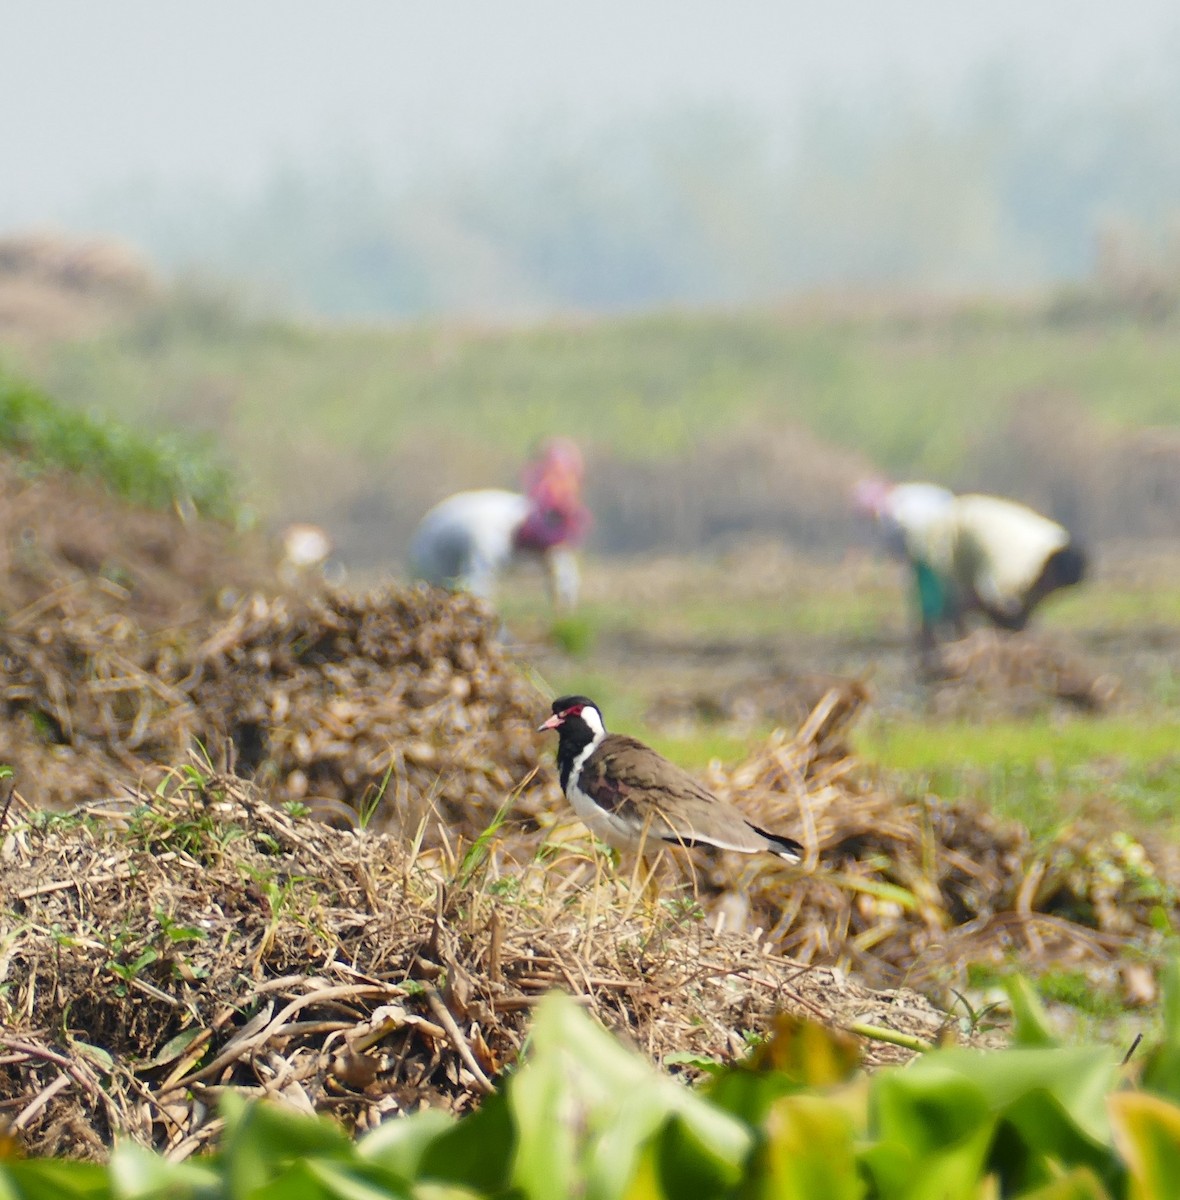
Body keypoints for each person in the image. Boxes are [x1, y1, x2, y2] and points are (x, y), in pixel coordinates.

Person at [855, 478, 1087, 658]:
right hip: (945, 532)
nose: (1050, 593)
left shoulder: (1056, 543)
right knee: (935, 608)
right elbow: (984, 601)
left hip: (974, 527)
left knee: (973, 614)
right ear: (1050, 574)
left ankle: (946, 653)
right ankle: (933, 661)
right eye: (1052, 587)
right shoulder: (1013, 570)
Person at [409, 437, 591, 610]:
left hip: (469, 529)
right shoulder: (491, 536)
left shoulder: (541, 523)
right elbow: (476, 595)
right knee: (443, 609)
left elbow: (563, 575)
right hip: (433, 552)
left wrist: (564, 617)